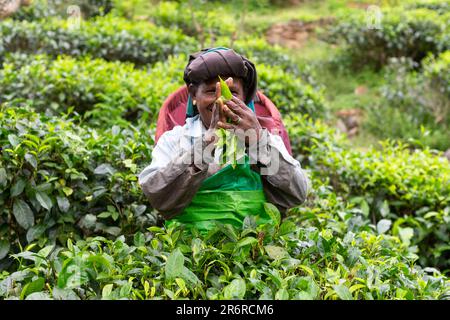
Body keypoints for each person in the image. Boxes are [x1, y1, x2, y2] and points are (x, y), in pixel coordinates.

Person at [139, 47, 309, 232]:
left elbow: (296, 194)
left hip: (255, 249)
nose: (221, 101)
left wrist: (257, 142)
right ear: (194, 95)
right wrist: (206, 145)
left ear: (245, 98)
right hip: (192, 251)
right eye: (211, 91)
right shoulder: (176, 140)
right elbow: (159, 197)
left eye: (232, 93)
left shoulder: (265, 139)